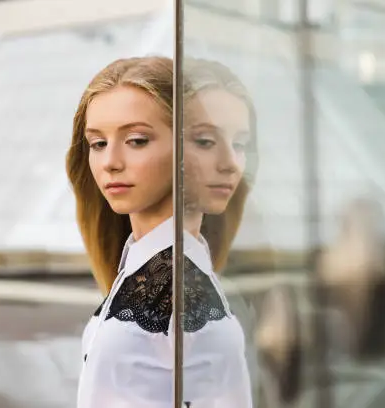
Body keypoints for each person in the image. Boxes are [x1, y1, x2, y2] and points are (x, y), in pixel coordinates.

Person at [66, 56, 257, 408]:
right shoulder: (148, 267)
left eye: (137, 140)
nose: (110, 162)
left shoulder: (180, 288)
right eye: (98, 143)